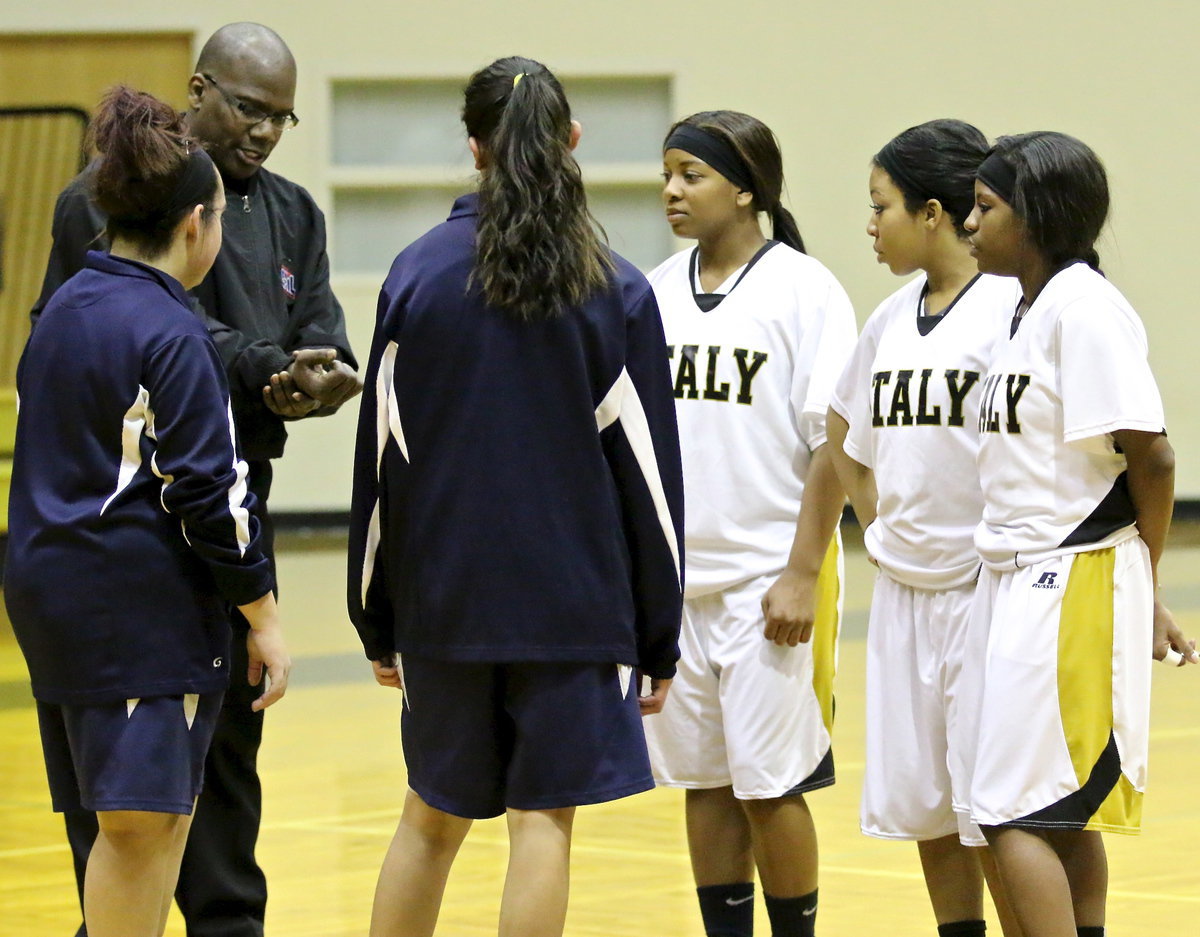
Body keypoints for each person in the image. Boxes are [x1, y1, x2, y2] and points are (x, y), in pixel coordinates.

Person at [29, 23, 359, 937]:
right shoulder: (105, 210)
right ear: (199, 87)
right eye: (249, 108)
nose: (262, 132)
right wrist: (260, 368)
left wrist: (313, 379)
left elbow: (313, 334)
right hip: (134, 528)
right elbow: (165, 348)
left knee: (221, 771)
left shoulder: (293, 213)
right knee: (120, 804)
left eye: (280, 119)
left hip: (220, 508)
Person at [346, 56, 684, 937]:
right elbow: (648, 484)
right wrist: (659, 630)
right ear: (571, 141)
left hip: (445, 606)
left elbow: (379, 468)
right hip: (575, 611)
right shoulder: (618, 290)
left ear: (474, 146)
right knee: (545, 823)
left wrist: (374, 613)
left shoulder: (414, 278)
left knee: (430, 820)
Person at [4, 86, 291, 937]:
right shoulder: (170, 332)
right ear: (197, 223)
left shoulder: (62, 311)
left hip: (55, 595)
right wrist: (263, 614)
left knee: (146, 824)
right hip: (130, 604)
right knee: (139, 829)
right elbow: (208, 488)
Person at [961, 131, 1197, 937]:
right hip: (1027, 576)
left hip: (1073, 573)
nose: (968, 222)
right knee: (1058, 808)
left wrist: (1144, 580)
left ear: (1036, 217)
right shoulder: (1026, 309)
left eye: (985, 208)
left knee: (1012, 812)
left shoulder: (1087, 310)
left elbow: (1153, 456)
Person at [641, 110, 856, 937]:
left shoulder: (805, 290)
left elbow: (830, 447)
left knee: (772, 784)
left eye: (690, 174)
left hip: (771, 579)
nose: (671, 190)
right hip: (682, 584)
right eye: (668, 173)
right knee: (704, 778)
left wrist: (802, 570)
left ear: (745, 188)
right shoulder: (655, 291)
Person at [826, 119, 1024, 937]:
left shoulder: (1012, 308)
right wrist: (876, 525)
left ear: (934, 211)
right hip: (907, 595)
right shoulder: (890, 318)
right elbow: (842, 431)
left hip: (989, 592)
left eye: (882, 207)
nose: (871, 226)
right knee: (930, 807)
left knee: (1000, 810)